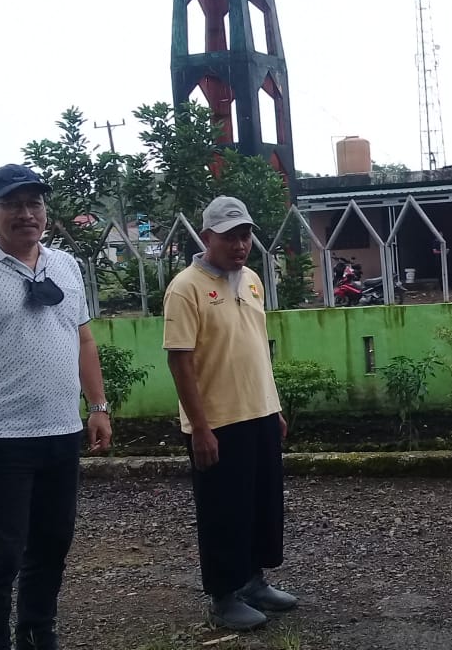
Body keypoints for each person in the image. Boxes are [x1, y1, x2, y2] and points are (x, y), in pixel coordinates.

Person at [0, 163, 112, 650]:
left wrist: (97, 405)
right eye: (12, 204)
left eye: (34, 203)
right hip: (1, 437)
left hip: (61, 431)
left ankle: (37, 632)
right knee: (1, 554)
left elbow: (83, 340)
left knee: (52, 545)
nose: (26, 213)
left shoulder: (65, 265)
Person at [163, 196, 296, 631]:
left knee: (260, 503)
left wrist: (273, 407)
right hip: (217, 422)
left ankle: (253, 582)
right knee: (223, 510)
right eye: (230, 237)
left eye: (245, 236)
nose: (240, 245)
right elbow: (180, 360)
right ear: (207, 237)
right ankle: (223, 598)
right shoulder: (186, 287)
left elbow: (257, 348)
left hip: (259, 412)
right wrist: (199, 427)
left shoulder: (252, 280)